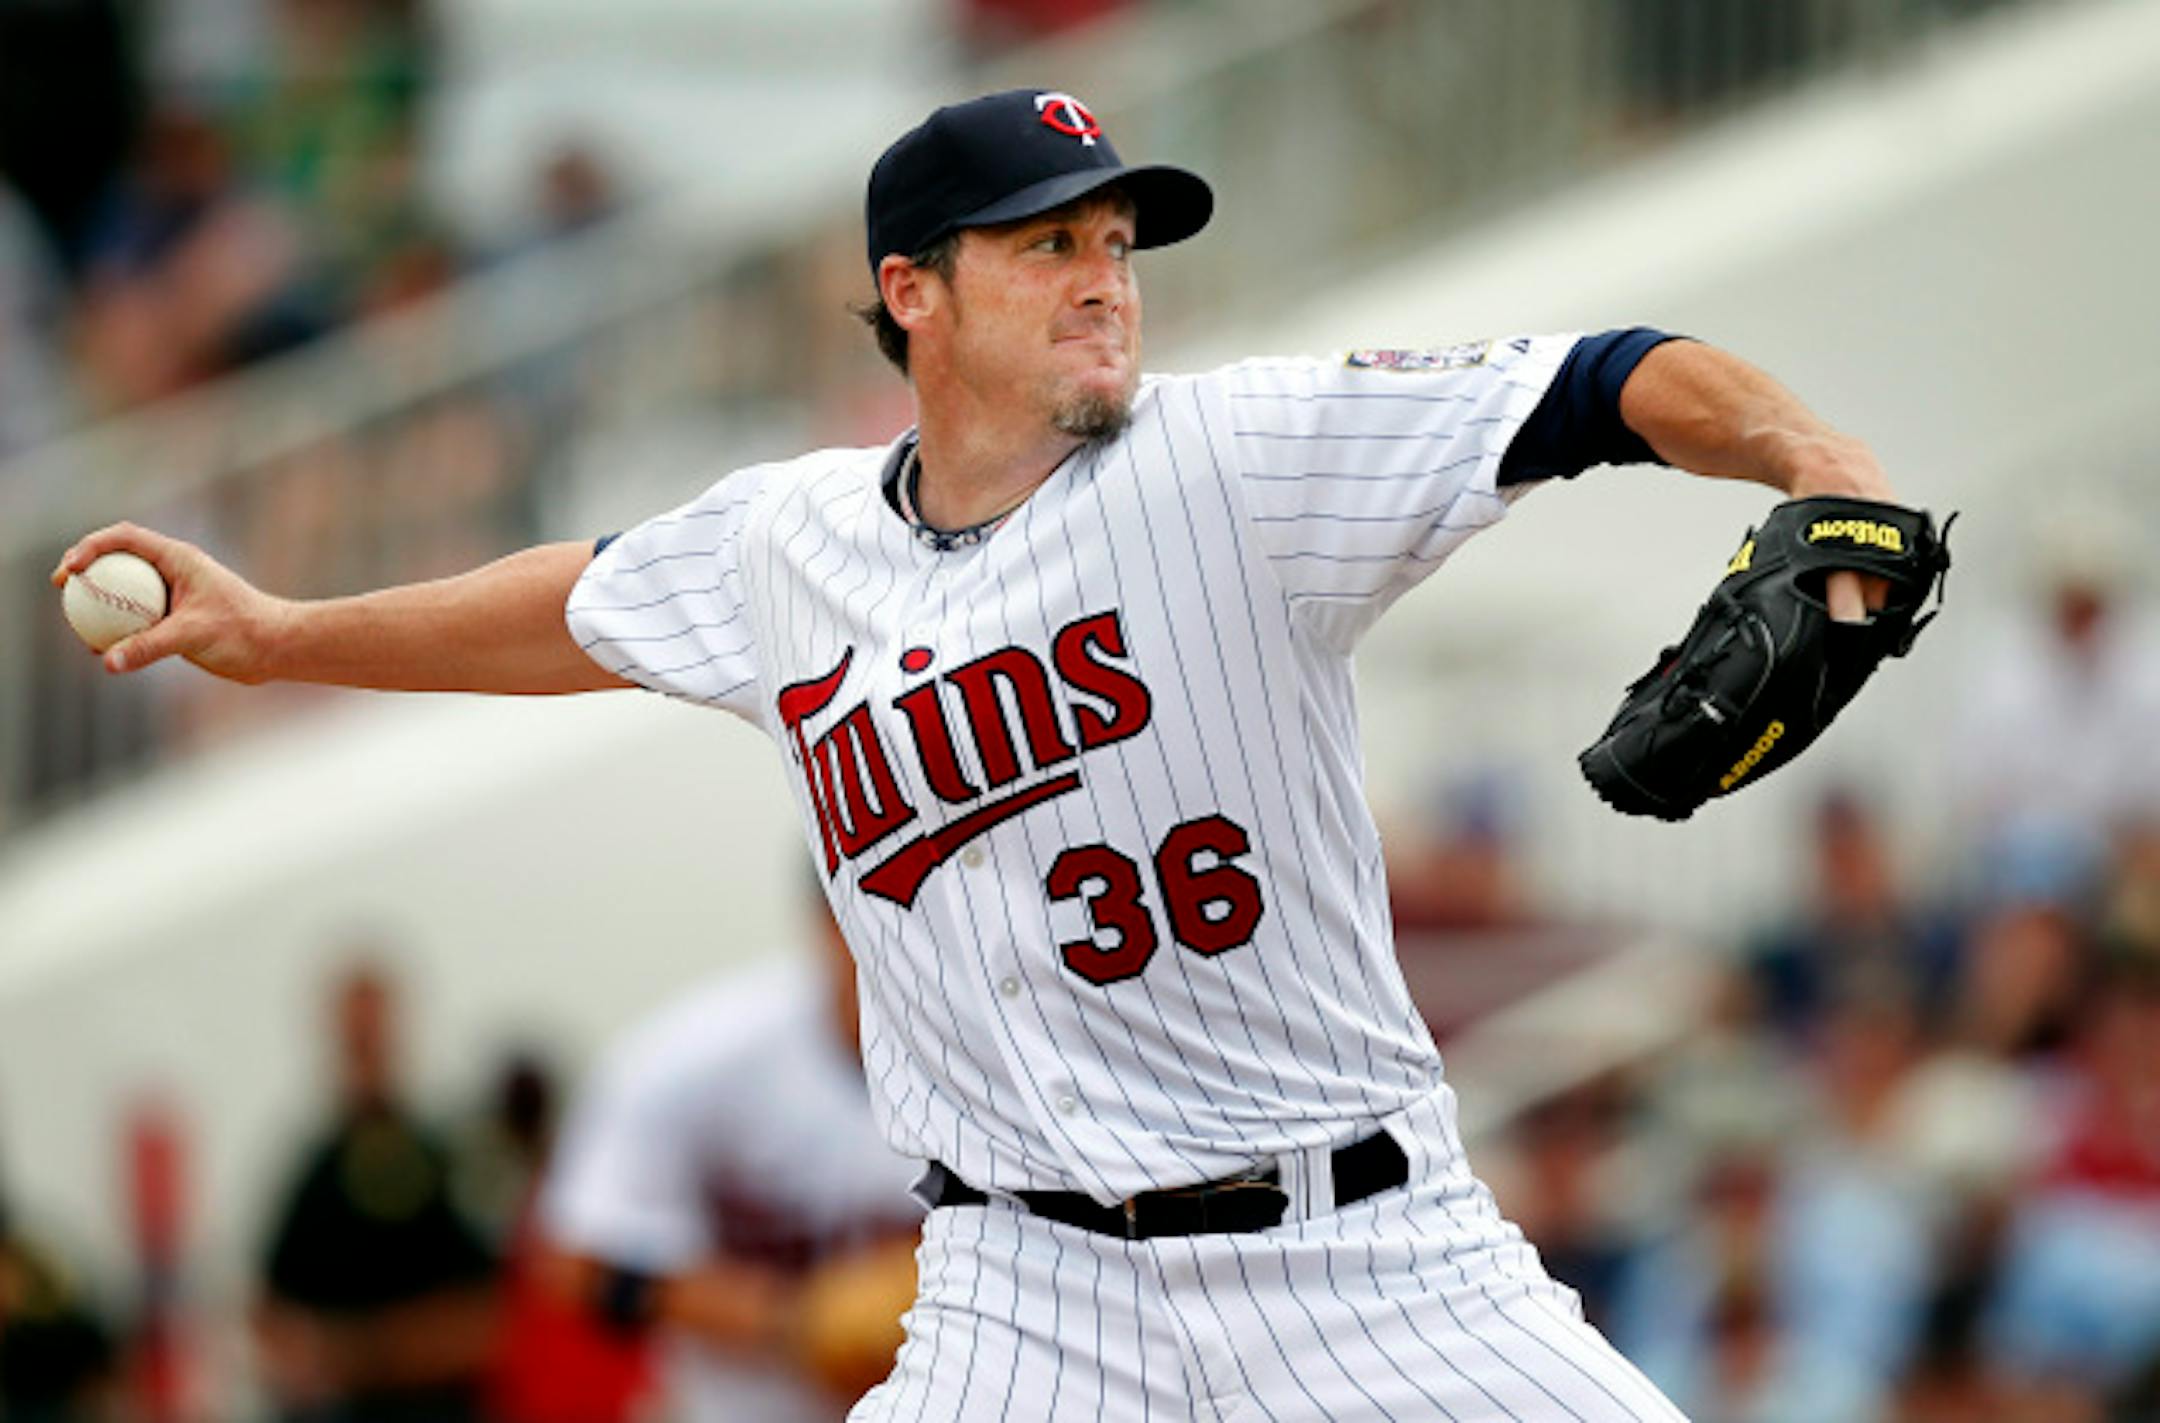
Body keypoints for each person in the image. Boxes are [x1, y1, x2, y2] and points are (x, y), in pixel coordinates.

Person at [60, 88, 1908, 1421]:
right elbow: (572, 603)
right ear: (913, 290)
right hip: (1026, 1296)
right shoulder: (788, 543)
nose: (1107, 275)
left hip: (1361, 1256)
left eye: (1117, 239)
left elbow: (1601, 379)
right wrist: (287, 631)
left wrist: (1823, 474)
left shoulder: (1239, 461)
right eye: (1049, 243)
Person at [538, 894, 922, 1422]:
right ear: (830, 920)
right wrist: (785, 1319)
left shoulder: (1015, 1056)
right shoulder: (693, 1059)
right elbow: (576, 1260)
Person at [252, 961, 500, 1423]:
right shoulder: (314, 1172)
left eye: (372, 1032)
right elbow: (270, 1317)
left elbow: (486, 1321)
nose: (364, 1048)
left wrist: (358, 1353)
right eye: (354, 1035)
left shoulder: (445, 1158)